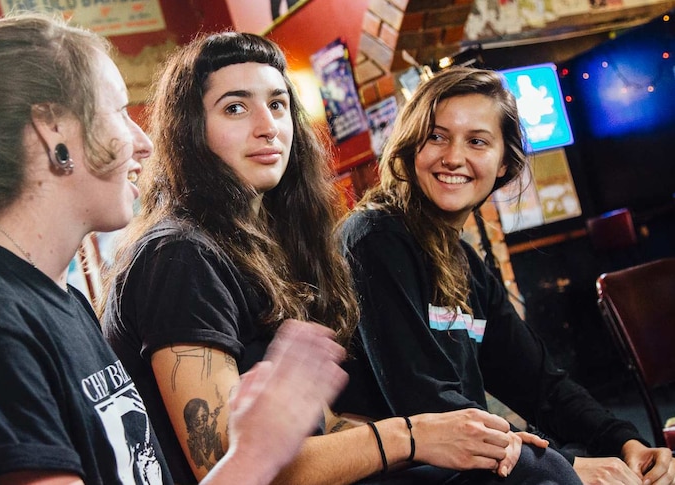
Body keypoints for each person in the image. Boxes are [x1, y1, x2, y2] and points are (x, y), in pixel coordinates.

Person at [0, 13, 350, 485]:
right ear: (53, 131)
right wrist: (257, 453)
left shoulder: (58, 300)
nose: (144, 144)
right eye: (118, 112)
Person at [101, 32, 577, 485]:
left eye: (277, 104)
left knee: (531, 465)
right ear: (189, 131)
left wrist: (462, 441)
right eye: (235, 108)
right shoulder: (179, 255)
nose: (267, 127)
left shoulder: (265, 251)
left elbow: (324, 429)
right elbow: (224, 467)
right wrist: (411, 436)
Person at [336, 66, 675, 485]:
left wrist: (623, 441)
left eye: (477, 141)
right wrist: (568, 467)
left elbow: (540, 384)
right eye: (437, 136)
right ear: (410, 147)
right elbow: (425, 404)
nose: (454, 156)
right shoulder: (374, 237)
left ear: (503, 164)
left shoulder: (464, 262)